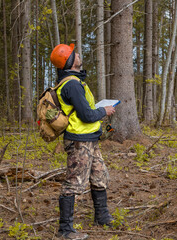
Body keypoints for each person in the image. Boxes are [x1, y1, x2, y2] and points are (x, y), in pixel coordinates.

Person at [50, 43, 115, 240]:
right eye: (73, 53)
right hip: (79, 143)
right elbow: (87, 115)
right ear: (69, 62)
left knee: (99, 176)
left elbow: (85, 112)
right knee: (73, 183)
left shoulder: (75, 82)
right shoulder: (71, 84)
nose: (77, 54)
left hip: (90, 140)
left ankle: (102, 217)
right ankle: (65, 230)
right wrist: (105, 111)